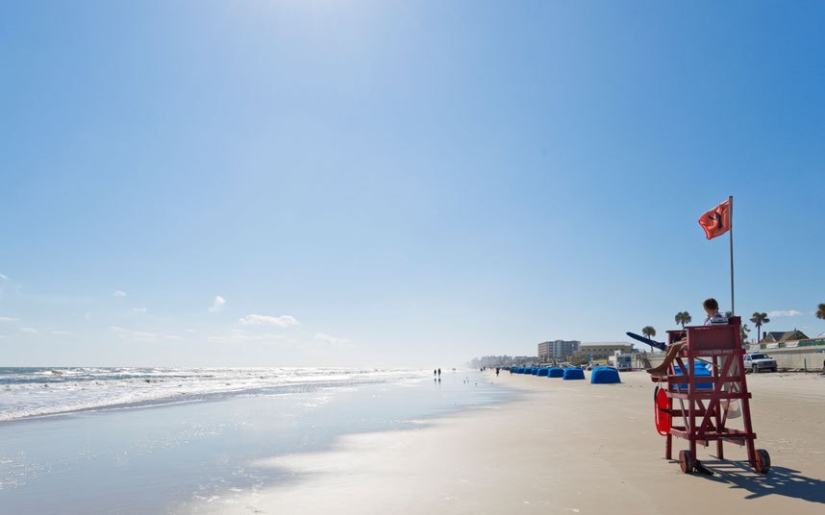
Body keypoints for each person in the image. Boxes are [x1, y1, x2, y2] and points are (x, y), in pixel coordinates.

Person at [647, 298, 727, 376]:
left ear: (707, 308)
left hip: (708, 343)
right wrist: (689, 338)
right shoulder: (711, 317)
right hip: (704, 341)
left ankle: (663, 369)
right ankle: (663, 369)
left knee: (674, 346)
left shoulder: (717, 318)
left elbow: (710, 334)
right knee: (671, 346)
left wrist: (691, 338)